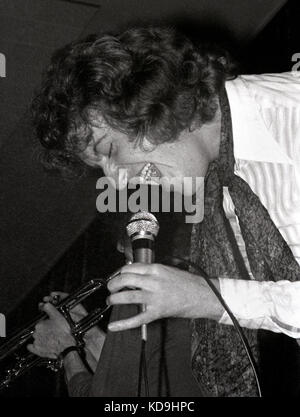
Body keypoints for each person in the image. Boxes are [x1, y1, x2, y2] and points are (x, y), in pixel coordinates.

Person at [28, 27, 300, 397]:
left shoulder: (291, 115)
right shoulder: (219, 190)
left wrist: (208, 297)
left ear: (152, 104)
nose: (118, 183)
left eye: (109, 151)